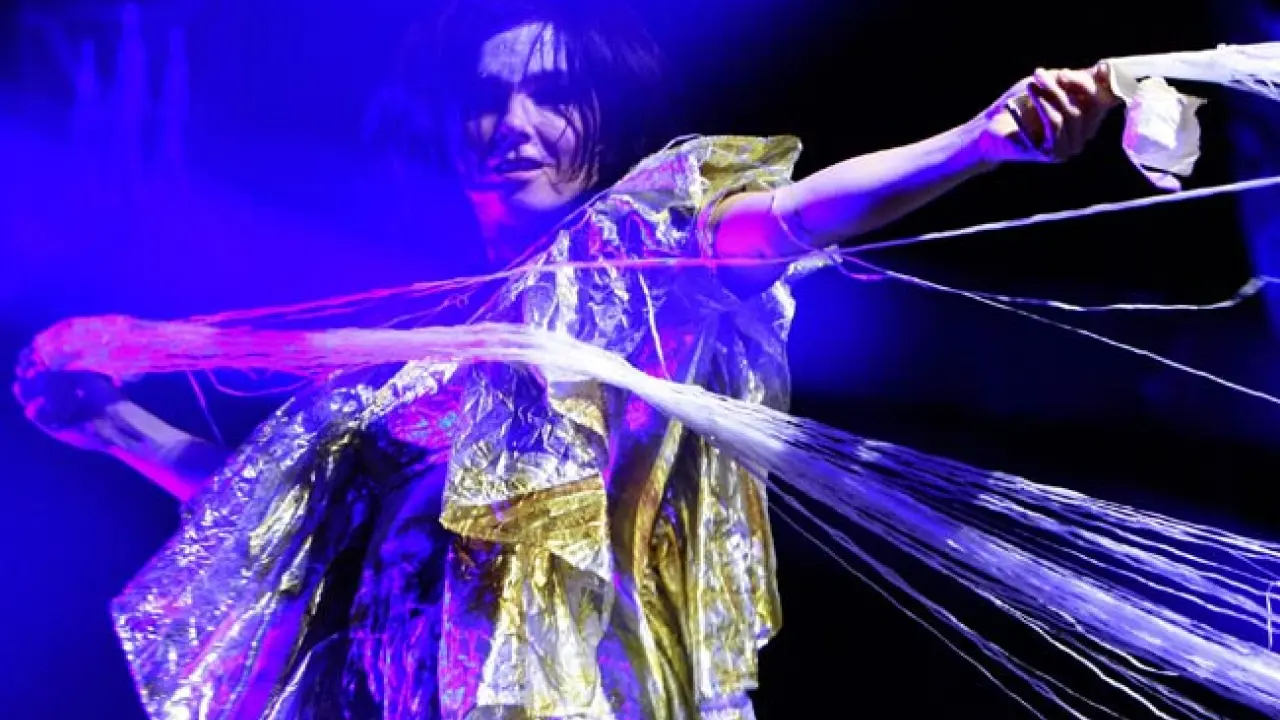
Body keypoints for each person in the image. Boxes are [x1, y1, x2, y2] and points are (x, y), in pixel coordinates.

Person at [12, 0, 1118, 717]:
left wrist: (977, 142)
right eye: (487, 100)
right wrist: (114, 427)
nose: (512, 122)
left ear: (603, 120)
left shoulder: (637, 259)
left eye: (550, 97)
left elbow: (781, 221)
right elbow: (287, 519)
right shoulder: (423, 362)